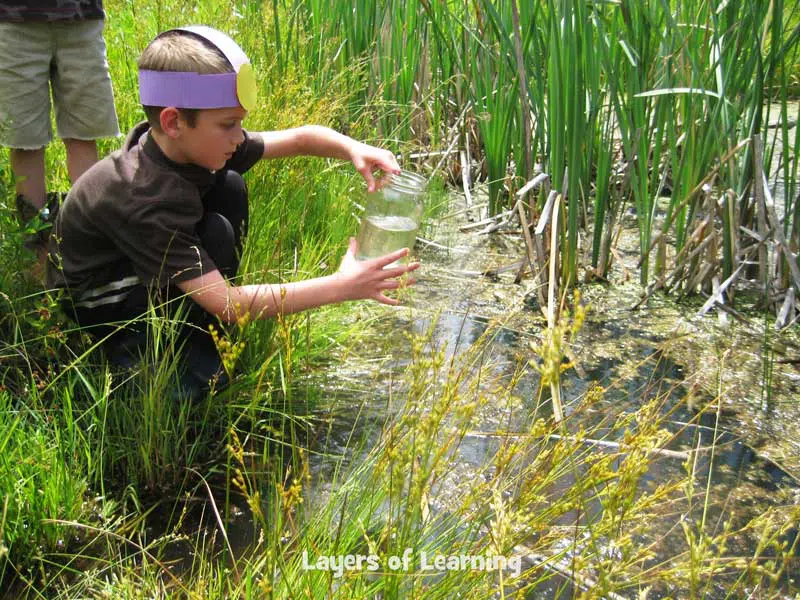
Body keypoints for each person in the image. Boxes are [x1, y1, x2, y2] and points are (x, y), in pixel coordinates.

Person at [46, 25, 419, 398]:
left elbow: (299, 138)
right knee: (216, 246)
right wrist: (342, 286)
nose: (240, 136)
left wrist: (352, 148)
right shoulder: (149, 201)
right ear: (173, 121)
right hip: (103, 304)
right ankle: (149, 359)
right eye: (229, 124)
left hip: (134, 263)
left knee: (228, 185)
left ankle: (196, 327)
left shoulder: (187, 144)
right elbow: (228, 304)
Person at [0, 0, 119, 255]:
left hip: (81, 17)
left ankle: (87, 241)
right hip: (13, 22)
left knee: (85, 134)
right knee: (26, 140)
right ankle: (39, 248)